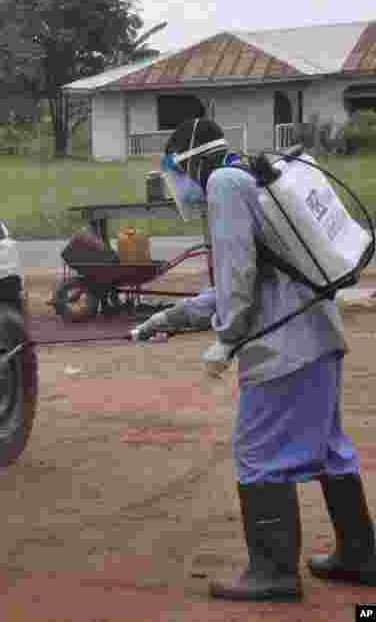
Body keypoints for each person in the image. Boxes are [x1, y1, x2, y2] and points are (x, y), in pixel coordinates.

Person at [136, 117, 376, 602]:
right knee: (329, 448)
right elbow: (247, 281)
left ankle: (273, 572)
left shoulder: (224, 185)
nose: (176, 186)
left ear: (186, 163)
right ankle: (360, 556)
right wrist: (172, 317)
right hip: (318, 337)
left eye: (172, 173)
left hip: (283, 347)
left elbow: (238, 279)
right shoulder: (248, 177)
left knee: (258, 452)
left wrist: (226, 340)